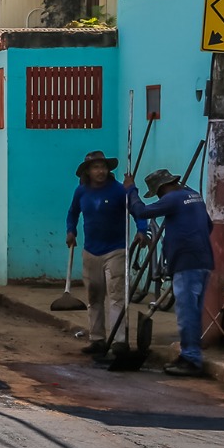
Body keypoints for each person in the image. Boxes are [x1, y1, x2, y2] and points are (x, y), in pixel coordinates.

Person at [125, 168, 215, 376]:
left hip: (186, 262)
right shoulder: (195, 197)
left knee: (186, 314)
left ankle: (191, 359)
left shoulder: (173, 198)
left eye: (157, 193)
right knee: (194, 312)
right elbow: (208, 226)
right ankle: (191, 354)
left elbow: (141, 212)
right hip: (203, 261)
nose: (158, 197)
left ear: (163, 188)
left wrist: (131, 191)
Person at [67, 151, 150, 355]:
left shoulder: (118, 190)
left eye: (103, 167)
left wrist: (141, 229)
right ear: (87, 171)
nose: (101, 171)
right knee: (94, 296)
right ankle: (97, 339)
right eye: (95, 167)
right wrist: (71, 231)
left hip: (116, 250)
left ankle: (119, 341)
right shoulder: (81, 192)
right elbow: (72, 213)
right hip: (90, 251)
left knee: (116, 296)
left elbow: (137, 210)